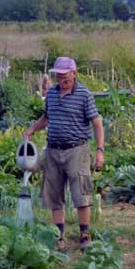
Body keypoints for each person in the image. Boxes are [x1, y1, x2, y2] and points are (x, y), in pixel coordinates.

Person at [23, 56, 105, 250]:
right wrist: (32, 129)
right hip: (53, 150)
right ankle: (59, 236)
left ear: (74, 73)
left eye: (65, 77)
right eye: (59, 77)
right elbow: (46, 117)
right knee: (53, 194)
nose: (62, 81)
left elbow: (97, 123)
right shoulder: (51, 94)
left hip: (77, 150)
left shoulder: (84, 95)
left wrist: (100, 150)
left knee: (81, 194)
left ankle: (84, 235)